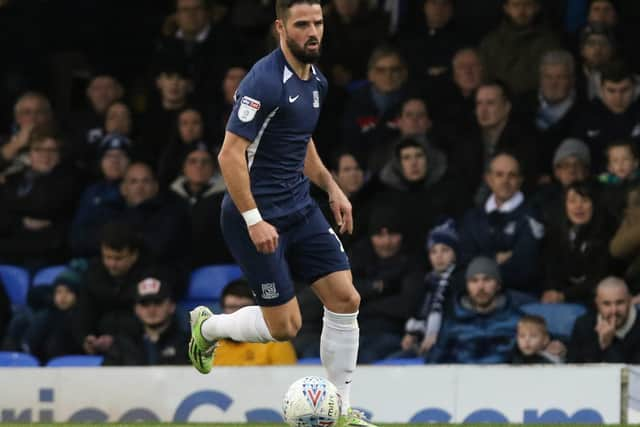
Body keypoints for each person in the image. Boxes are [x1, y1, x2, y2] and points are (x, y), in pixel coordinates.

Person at [188, 1, 376, 424]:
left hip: (300, 208)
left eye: (319, 23)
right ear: (280, 27)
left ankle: (341, 413)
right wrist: (254, 219)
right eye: (303, 24)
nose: (314, 32)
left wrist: (331, 187)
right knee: (285, 326)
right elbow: (228, 155)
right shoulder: (264, 81)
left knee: (346, 299)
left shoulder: (317, 83)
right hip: (253, 215)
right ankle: (209, 329)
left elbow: (299, 139)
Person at [459, 152, 544, 295]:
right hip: (474, 296)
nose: (505, 180)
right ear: (488, 179)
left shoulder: (533, 217)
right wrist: (494, 258)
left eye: (512, 175)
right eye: (499, 174)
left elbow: (525, 270)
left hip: (517, 296)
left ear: (520, 180)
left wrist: (481, 262)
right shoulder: (472, 217)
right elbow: (464, 261)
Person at [426, 256, 521, 364]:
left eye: (487, 280)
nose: (480, 287)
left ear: (498, 285)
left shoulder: (516, 320)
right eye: (474, 281)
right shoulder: (452, 321)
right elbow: (434, 361)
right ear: (467, 286)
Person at [542, 181, 614, 305]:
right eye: (572, 201)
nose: (578, 206)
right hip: (561, 298)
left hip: (595, 299)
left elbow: (598, 278)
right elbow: (550, 269)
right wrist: (552, 291)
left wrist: (564, 295)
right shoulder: (555, 232)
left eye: (584, 201)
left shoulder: (607, 233)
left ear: (594, 205)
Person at [399, 219, 462, 358]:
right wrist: (412, 334)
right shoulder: (426, 283)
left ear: (455, 253)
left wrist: (437, 337)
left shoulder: (459, 282)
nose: (439, 256)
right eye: (433, 251)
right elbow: (418, 316)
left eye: (445, 250)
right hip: (422, 344)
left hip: (449, 345)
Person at [103, 275, 189, 366]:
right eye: (144, 304)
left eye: (158, 302)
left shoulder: (188, 344)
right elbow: (105, 377)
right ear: (136, 309)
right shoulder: (122, 345)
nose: (151, 310)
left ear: (172, 306)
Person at [213, 279, 297, 366]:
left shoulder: (276, 342)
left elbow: (288, 378)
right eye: (232, 307)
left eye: (244, 307)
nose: (237, 313)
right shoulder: (212, 346)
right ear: (223, 309)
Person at [567, 277, 640, 363]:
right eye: (607, 304)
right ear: (597, 303)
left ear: (630, 300)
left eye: (620, 302)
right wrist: (599, 345)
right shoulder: (583, 325)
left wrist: (608, 345)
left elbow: (628, 374)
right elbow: (573, 368)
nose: (614, 310)